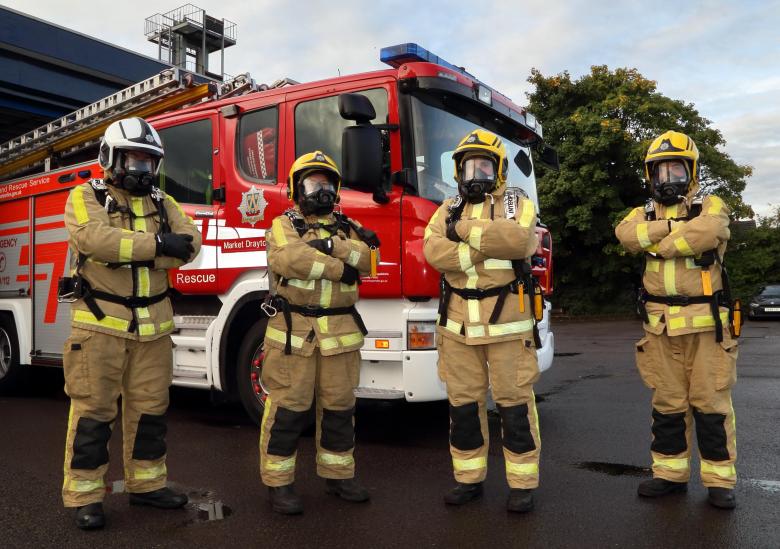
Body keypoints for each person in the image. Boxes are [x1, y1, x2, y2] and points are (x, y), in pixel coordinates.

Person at [61, 117, 202, 529]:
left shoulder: (164, 202)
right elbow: (93, 240)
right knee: (93, 412)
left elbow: (190, 244)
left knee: (151, 411)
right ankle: (85, 496)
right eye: (133, 161)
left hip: (153, 328)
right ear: (110, 157)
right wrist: (158, 245)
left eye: (148, 162)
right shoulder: (84, 195)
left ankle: (147, 485)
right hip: (100, 324)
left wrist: (137, 250)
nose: (141, 170)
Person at [615, 130, 738, 509]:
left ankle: (719, 481)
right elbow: (625, 234)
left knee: (710, 402)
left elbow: (709, 232)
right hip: (659, 326)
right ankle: (669, 475)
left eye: (676, 170)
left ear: (691, 172)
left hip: (705, 325)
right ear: (651, 176)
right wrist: (671, 229)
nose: (668, 179)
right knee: (667, 403)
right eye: (660, 172)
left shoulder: (710, 205)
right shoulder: (644, 212)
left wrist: (658, 242)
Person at [423, 129, 541, 513]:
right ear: (458, 169)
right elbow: (433, 251)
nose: (476, 172)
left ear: (499, 169)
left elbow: (520, 241)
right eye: (469, 165)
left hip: (507, 324)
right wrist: (479, 246)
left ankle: (522, 484)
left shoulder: (514, 202)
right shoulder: (446, 208)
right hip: (457, 327)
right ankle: (468, 480)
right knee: (463, 407)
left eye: (484, 165)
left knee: (514, 406)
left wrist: (462, 234)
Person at [259, 151, 380, 515]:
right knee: (288, 410)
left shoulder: (349, 227)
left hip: (340, 334)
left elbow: (370, 261)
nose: (321, 191)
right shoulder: (284, 225)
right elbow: (289, 259)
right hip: (294, 332)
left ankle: (338, 476)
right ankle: (278, 484)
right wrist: (338, 267)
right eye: (313, 184)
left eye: (327, 184)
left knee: (340, 409)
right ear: (297, 189)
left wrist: (331, 246)